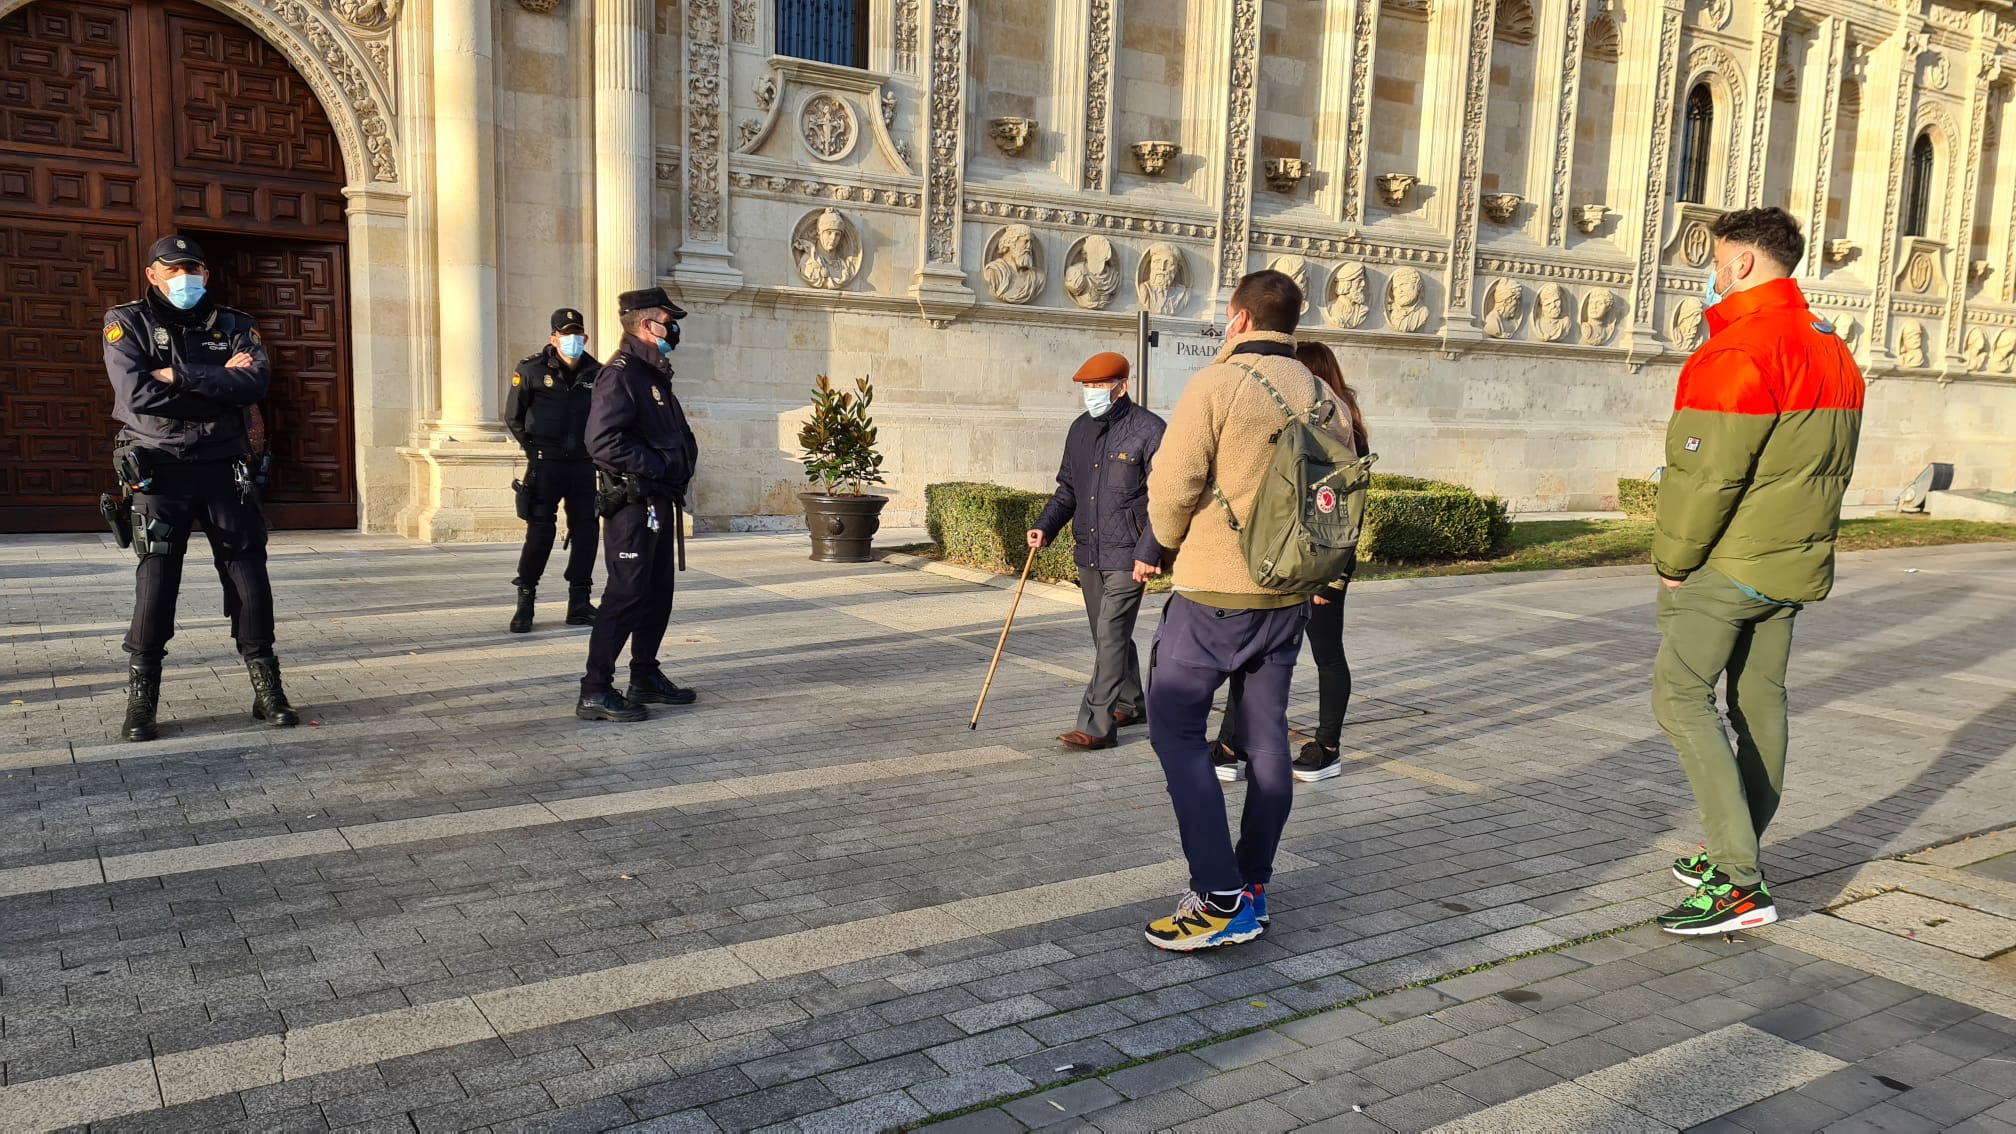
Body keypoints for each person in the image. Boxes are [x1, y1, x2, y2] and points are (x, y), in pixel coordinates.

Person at [1651, 207, 1864, 936]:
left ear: (1741, 262)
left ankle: (1740, 881)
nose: (1712, 276)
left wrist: (1674, 562)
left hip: (1733, 561)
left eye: (1715, 262)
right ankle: (1734, 857)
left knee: (1678, 696)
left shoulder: (1741, 350)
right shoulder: (1828, 344)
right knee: (1759, 703)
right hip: (1793, 559)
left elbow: (1703, 477)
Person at [1137, 269, 1351, 951]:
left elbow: (1173, 485)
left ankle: (1217, 895)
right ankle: (1252, 886)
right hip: (1287, 594)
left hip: (1213, 592)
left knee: (1175, 733)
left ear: (1237, 318)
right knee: (1265, 742)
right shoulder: (1327, 398)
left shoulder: (1218, 385)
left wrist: (1157, 547)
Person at [102, 234, 298, 742]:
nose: (183, 278)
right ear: (152, 275)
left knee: (248, 574)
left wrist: (179, 375)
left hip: (223, 464)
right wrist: (215, 381)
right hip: (158, 467)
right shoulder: (126, 323)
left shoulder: (236, 325)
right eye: (172, 270)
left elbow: (253, 385)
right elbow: (137, 393)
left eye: (192, 269)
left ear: (205, 274)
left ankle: (267, 686)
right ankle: (142, 698)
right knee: (157, 579)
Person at [1209, 341, 1369, 785]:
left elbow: (1333, 510)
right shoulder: (1316, 429)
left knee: (1324, 653)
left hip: (1318, 561)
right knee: (1259, 652)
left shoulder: (1334, 436)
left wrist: (1326, 577)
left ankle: (1328, 748)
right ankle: (1227, 747)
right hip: (1290, 556)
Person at [1027, 351, 1166, 751]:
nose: (1091, 393)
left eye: (1099, 386)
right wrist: (1044, 526)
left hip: (1129, 554)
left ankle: (1096, 725)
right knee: (1106, 633)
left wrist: (1150, 550)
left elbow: (1165, 498)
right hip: (1089, 550)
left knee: (1109, 633)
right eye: (1087, 387)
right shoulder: (1079, 430)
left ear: (1121, 386)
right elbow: (1068, 489)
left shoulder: (1149, 429)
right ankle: (1129, 701)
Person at [576, 287, 700, 722]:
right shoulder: (622, 373)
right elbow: (602, 441)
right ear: (648, 325)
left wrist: (675, 465)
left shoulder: (653, 374)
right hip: (632, 503)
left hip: (658, 501)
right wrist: (658, 465)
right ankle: (595, 689)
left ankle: (644, 674)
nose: (674, 329)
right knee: (626, 593)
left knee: (656, 592)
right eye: (669, 321)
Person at [505, 307, 601, 633]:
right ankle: (525, 603)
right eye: (565, 334)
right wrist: (533, 452)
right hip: (546, 465)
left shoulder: (597, 373)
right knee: (540, 533)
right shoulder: (531, 370)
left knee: (587, 532)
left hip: (583, 466)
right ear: (553, 338)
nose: (572, 339)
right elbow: (513, 416)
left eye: (577, 334)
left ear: (585, 337)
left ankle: (579, 602)